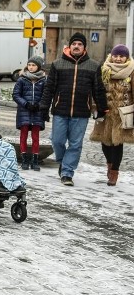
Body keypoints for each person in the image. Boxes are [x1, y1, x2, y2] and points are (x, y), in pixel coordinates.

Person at [40, 32, 109, 186]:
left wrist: (103, 108)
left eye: (80, 44)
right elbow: (49, 88)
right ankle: (63, 162)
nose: (76, 46)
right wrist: (43, 108)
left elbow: (98, 89)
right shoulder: (58, 64)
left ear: (84, 47)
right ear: (69, 46)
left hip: (81, 112)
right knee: (57, 141)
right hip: (60, 110)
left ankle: (67, 173)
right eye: (74, 44)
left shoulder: (93, 65)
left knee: (75, 144)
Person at [89, 44, 134, 186]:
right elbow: (96, 89)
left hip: (122, 114)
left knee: (117, 143)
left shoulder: (131, 71)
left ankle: (114, 172)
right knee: (104, 143)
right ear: (111, 56)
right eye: (116, 55)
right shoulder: (104, 69)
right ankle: (109, 164)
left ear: (126, 57)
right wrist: (95, 107)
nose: (118, 59)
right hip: (105, 112)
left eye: (121, 56)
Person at [12, 56, 47, 171]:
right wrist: (26, 104)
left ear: (39, 67)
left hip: (37, 112)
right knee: (24, 135)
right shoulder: (22, 79)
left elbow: (46, 96)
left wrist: (39, 105)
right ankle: (24, 159)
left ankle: (35, 159)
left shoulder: (43, 80)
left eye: (34, 65)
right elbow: (16, 95)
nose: (31, 67)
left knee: (35, 136)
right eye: (29, 65)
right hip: (24, 111)